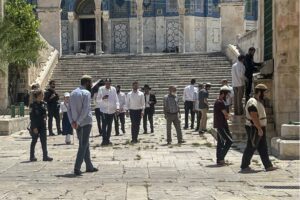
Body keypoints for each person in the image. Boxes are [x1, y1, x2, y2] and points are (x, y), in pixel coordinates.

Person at [240, 84, 278, 172]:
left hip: (258, 127)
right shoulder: (252, 102)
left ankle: (268, 166)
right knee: (251, 146)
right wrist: (259, 129)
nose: (265, 95)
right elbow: (254, 116)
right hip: (254, 127)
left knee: (263, 147)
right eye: (264, 92)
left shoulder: (257, 101)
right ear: (259, 92)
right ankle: (244, 166)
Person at [68, 75, 98, 176]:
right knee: (83, 144)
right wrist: (79, 122)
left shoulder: (73, 93)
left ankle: (89, 166)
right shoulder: (86, 93)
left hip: (76, 122)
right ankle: (77, 167)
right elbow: (85, 110)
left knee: (85, 144)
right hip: (84, 122)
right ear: (87, 83)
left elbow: (69, 109)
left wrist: (72, 121)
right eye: (90, 82)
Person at [29, 89, 53, 162]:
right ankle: (32, 156)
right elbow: (32, 117)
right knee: (34, 140)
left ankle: (45, 156)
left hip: (42, 125)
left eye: (43, 95)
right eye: (42, 95)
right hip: (35, 125)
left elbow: (45, 113)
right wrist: (34, 127)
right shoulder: (32, 105)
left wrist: (45, 116)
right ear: (38, 96)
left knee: (44, 141)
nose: (43, 96)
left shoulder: (44, 104)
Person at [96, 78, 120, 146]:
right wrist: (102, 98)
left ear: (110, 84)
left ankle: (108, 139)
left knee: (109, 126)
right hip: (104, 110)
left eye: (109, 83)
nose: (107, 85)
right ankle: (104, 140)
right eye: (106, 83)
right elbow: (97, 100)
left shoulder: (113, 89)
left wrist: (117, 108)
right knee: (104, 125)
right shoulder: (101, 89)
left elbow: (116, 99)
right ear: (105, 83)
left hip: (111, 111)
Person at [214, 86, 233, 166]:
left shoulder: (219, 101)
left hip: (221, 124)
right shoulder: (220, 102)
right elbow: (225, 114)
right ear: (222, 94)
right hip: (221, 125)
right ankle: (221, 158)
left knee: (220, 143)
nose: (227, 97)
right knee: (229, 141)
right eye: (226, 95)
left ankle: (220, 160)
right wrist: (229, 116)